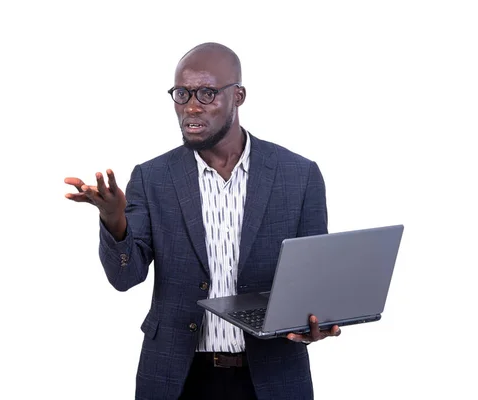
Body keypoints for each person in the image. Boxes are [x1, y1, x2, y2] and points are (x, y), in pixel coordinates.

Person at [64, 42, 341, 400]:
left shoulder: (298, 175)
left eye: (207, 93)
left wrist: (319, 321)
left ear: (238, 95)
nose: (192, 106)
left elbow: (313, 283)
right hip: (177, 377)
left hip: (273, 375)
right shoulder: (153, 178)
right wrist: (114, 219)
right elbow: (124, 277)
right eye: (182, 93)